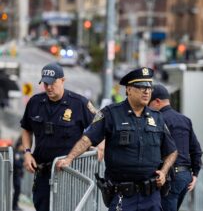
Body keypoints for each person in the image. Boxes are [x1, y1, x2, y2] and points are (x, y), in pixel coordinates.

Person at [56, 67, 178, 211]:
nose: (146, 91)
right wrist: (69, 159)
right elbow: (87, 139)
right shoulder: (111, 114)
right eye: (140, 87)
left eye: (149, 87)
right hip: (123, 196)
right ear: (129, 90)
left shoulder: (157, 117)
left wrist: (163, 172)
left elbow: (172, 151)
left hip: (151, 197)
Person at [20, 63, 96, 211]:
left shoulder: (79, 103)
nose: (48, 87)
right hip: (43, 174)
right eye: (45, 83)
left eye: (52, 83)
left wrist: (100, 147)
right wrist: (27, 153)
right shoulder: (35, 102)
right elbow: (26, 129)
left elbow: (99, 128)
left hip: (70, 174)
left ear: (62, 80)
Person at [149, 84, 203, 211]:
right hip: (185, 177)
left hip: (169, 177)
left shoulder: (158, 119)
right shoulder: (185, 120)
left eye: (149, 104)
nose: (147, 108)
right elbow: (196, 150)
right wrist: (195, 174)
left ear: (157, 101)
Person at [13, 137, 24, 211]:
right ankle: (13, 206)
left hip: (18, 175)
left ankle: (15, 205)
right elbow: (17, 163)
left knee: (18, 190)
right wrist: (22, 163)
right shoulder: (16, 153)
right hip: (14, 175)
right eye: (22, 146)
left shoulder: (20, 154)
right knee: (16, 190)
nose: (23, 148)